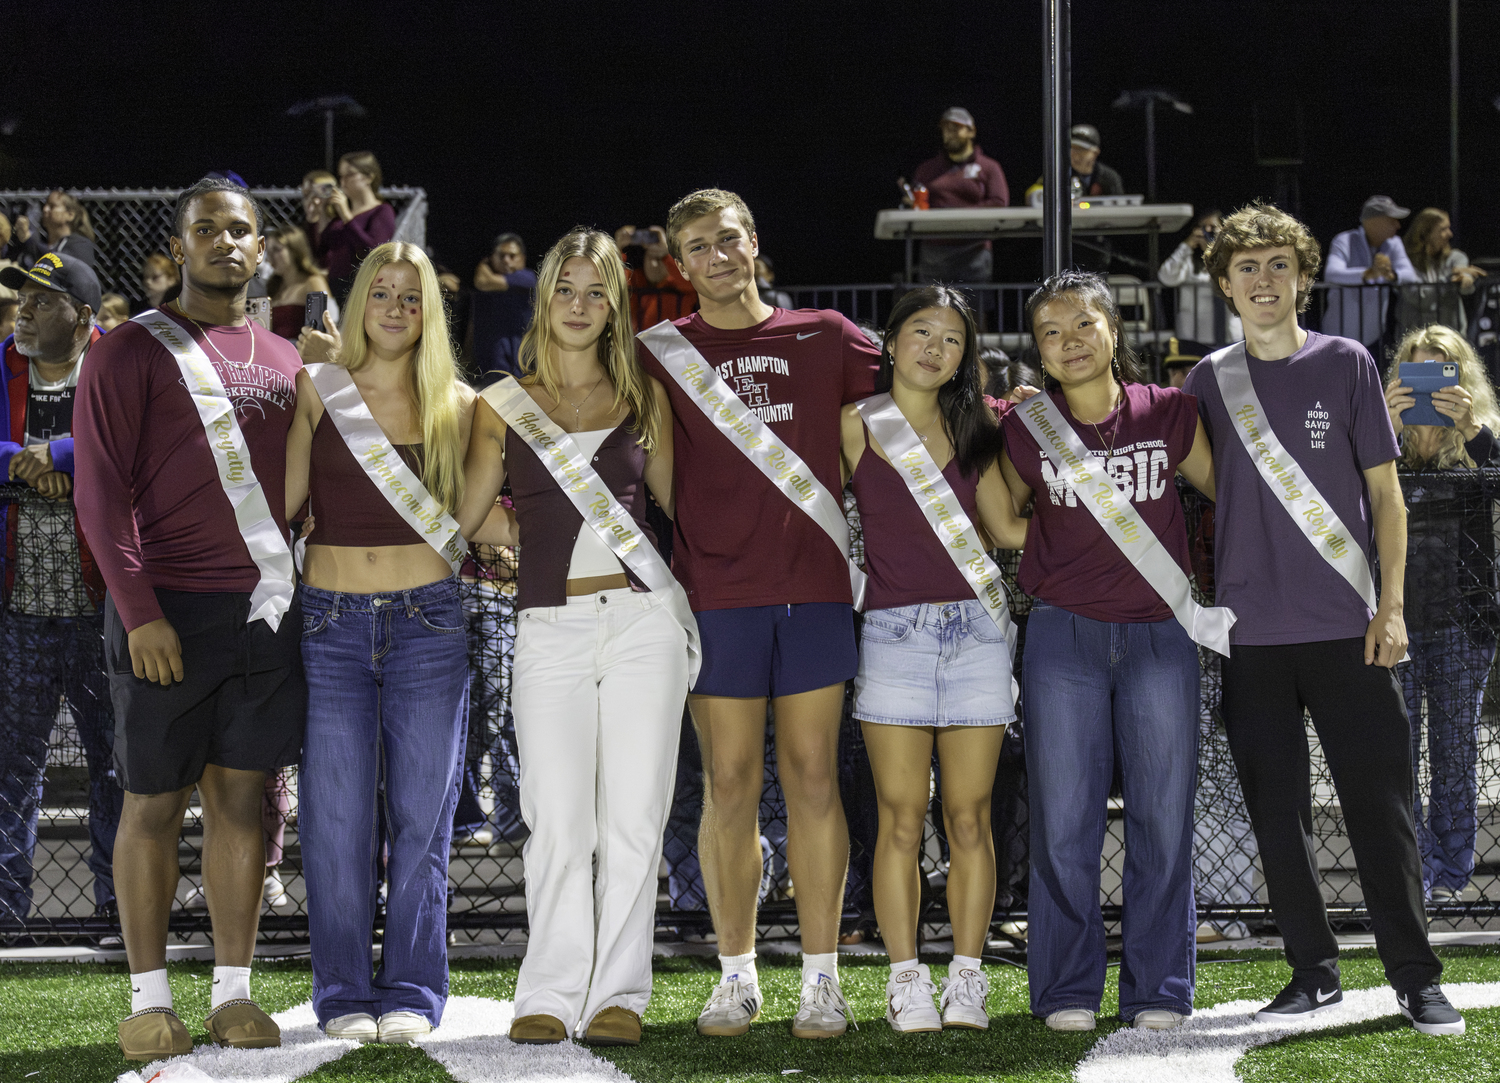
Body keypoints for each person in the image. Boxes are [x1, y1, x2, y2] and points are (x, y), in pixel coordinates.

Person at [1186, 201, 1463, 1035]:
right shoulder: (1206, 380)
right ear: (1225, 285)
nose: (1263, 281)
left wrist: (1393, 605)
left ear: (1304, 275)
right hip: (1251, 636)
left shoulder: (1346, 363)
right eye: (1247, 268)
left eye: (1278, 265)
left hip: (1350, 628)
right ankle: (1313, 971)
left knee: (1381, 810)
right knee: (1280, 816)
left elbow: (1386, 496)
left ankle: (1417, 976)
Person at [635, 188, 881, 1040]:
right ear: (679, 265)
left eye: (728, 238)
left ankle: (822, 978)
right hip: (718, 596)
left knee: (814, 778)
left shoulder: (826, 335)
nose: (717, 256)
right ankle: (735, 975)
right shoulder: (661, 352)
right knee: (729, 784)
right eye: (697, 247)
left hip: (812, 589)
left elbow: (928, 387)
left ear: (754, 242)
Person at [74, 176, 305, 1060]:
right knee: (152, 802)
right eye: (206, 229)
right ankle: (147, 997)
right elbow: (100, 493)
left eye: (239, 229)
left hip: (264, 611)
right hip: (162, 611)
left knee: (243, 800)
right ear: (178, 248)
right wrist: (138, 611)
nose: (225, 242)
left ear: (262, 246)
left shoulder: (288, 356)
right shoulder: (130, 350)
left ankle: (233, 991)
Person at [456, 227, 687, 1047]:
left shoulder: (645, 397)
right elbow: (463, 513)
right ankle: (550, 988)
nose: (580, 306)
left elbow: (684, 510)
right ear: (542, 297)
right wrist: (508, 534)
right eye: (566, 290)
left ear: (615, 305)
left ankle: (619, 991)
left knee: (632, 816)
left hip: (642, 624)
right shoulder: (504, 402)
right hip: (546, 626)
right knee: (556, 817)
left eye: (597, 293)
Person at [1000, 270, 1217, 1033]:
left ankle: (1158, 983)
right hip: (1062, 634)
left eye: (1083, 325)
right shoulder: (1026, 427)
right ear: (1038, 349)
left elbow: (1226, 492)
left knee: (1162, 811)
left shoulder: (1171, 411)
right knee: (1064, 818)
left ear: (1114, 329)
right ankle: (1065, 986)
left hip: (1162, 630)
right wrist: (1066, 544)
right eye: (1051, 333)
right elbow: (1000, 518)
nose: (1069, 342)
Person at [285, 241, 474, 1044]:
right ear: (357, 301)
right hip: (329, 624)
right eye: (381, 292)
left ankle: (411, 990)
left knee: (421, 821)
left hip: (429, 624)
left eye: (411, 296)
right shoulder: (317, 389)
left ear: (430, 311)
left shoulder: (459, 404)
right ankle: (340, 992)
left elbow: (482, 515)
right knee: (332, 820)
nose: (395, 308)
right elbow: (281, 503)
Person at [841, 285, 1020, 1032]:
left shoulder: (982, 424)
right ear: (889, 341)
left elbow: (1009, 528)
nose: (934, 348)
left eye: (952, 339)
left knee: (971, 816)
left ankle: (968, 976)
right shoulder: (853, 424)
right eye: (921, 330)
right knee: (899, 819)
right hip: (892, 634)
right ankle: (906, 975)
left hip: (977, 631)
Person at [0, 254, 122, 933]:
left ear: (81, 316)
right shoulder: (2, 361)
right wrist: (24, 461)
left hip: (106, 608)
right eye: (23, 296)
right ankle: (5, 910)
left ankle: (115, 904)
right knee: (11, 767)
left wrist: (63, 454)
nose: (23, 309)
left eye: (42, 301)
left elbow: (136, 437)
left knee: (114, 767)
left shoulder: (116, 362)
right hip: (20, 606)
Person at [1384, 324, 1500, 903]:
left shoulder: (1480, 440)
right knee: (1396, 751)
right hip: (1396, 615)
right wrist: (1384, 420)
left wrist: (1471, 429)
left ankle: (1452, 871)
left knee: (1455, 750)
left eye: (1440, 371)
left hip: (1464, 619)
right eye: (1416, 372)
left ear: (1462, 379)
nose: (1428, 384)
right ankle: (1414, 870)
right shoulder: (1383, 435)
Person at [908, 107, 1010, 284]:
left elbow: (999, 202)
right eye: (946, 129)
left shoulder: (989, 167)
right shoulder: (927, 169)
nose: (950, 134)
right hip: (935, 251)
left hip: (975, 250)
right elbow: (918, 201)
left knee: (973, 310)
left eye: (956, 128)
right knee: (932, 309)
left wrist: (959, 214)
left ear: (971, 131)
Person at [1324, 195, 1418, 349]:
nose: (1398, 225)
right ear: (1374, 221)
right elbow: (1332, 273)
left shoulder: (1394, 243)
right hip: (1339, 335)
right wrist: (1369, 274)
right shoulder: (1344, 240)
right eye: (1392, 219)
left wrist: (1392, 275)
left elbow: (1410, 275)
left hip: (1375, 336)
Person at [317, 151, 397, 300]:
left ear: (368, 177)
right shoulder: (340, 218)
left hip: (364, 286)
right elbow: (322, 248)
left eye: (349, 175)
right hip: (338, 287)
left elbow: (374, 249)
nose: (343, 181)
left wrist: (347, 215)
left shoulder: (381, 211)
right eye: (341, 176)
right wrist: (322, 210)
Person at [1159, 210, 1243, 352]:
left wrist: (1217, 251)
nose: (1207, 231)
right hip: (1193, 336)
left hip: (1227, 335)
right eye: (1203, 227)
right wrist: (1186, 245)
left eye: (1212, 227)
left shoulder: (1234, 257)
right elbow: (1166, 277)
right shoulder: (1189, 260)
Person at [1399, 209, 1487, 335]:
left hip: (1450, 334)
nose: (1450, 234)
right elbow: (1420, 299)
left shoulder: (1455, 257)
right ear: (1425, 233)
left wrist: (1466, 278)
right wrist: (1448, 279)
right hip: (1416, 336)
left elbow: (1464, 279)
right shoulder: (1406, 262)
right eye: (1443, 229)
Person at [470, 232, 537, 378]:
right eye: (501, 256)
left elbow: (483, 281)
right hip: (490, 367)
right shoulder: (486, 289)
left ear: (522, 258)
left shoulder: (528, 279)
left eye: (512, 256)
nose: (506, 261)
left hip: (521, 365)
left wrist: (483, 264)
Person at [615, 225, 697, 329]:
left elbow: (690, 280)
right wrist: (617, 250)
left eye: (660, 260)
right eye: (651, 258)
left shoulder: (684, 288)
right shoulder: (635, 283)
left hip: (676, 343)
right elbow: (611, 281)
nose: (654, 265)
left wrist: (666, 253)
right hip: (639, 344)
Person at [266, 226, 335, 340]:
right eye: (268, 252)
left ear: (294, 250)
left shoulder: (312, 281)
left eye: (277, 250)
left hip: (302, 352)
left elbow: (330, 319)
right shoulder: (274, 287)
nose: (270, 257)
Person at [3, 191, 100, 269]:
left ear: (70, 215)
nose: (45, 209)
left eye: (52, 206)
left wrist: (28, 238)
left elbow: (56, 264)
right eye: (45, 205)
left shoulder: (80, 244)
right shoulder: (45, 243)